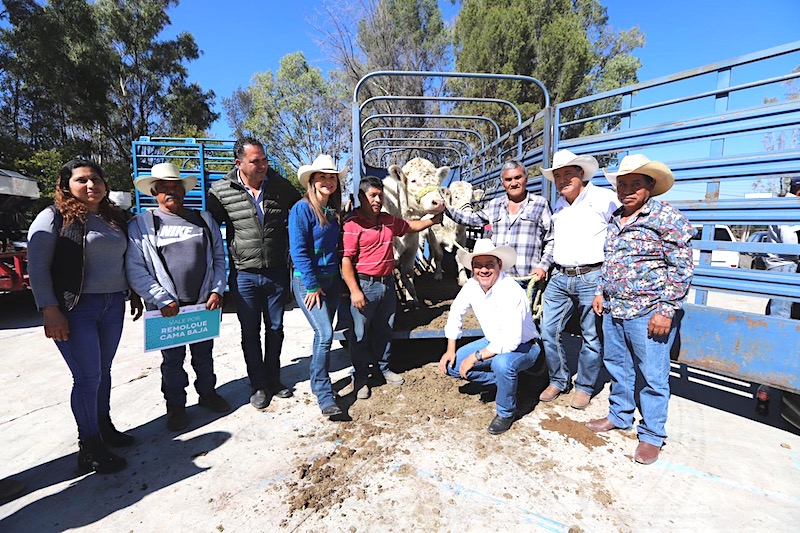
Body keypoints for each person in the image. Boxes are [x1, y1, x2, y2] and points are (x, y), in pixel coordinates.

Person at [27, 159, 143, 474]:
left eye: (96, 179)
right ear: (66, 185)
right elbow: (36, 267)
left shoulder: (113, 218)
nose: (90, 185)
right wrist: (49, 308)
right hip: (75, 309)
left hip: (111, 306)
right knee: (88, 377)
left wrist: (132, 292)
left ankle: (103, 427)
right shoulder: (53, 217)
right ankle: (89, 447)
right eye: (81, 180)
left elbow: (125, 260)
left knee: (103, 372)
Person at [587, 154, 694, 465]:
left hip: (649, 311)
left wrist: (667, 309)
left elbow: (682, 267)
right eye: (623, 184)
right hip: (614, 308)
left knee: (652, 374)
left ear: (650, 186)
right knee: (618, 367)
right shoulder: (616, 218)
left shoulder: (666, 218)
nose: (628, 190)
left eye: (636, 184)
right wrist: (600, 292)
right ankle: (619, 416)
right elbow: (609, 260)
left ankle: (651, 435)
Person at [126, 163, 230, 431]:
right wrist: (160, 298)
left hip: (202, 303)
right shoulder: (142, 224)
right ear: (154, 192)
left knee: (204, 354)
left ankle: (207, 394)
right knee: (172, 361)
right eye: (165, 188)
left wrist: (217, 289)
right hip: (166, 308)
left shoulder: (203, 219)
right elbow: (135, 267)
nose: (172, 192)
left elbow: (218, 258)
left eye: (176, 187)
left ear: (184, 191)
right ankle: (176, 406)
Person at [208, 137, 301, 409]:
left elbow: (301, 213)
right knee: (250, 331)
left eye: (264, 160)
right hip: (244, 274)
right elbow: (208, 231)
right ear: (239, 163)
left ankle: (274, 379)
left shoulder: (281, 187)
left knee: (275, 328)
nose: (262, 166)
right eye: (255, 161)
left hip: (275, 272)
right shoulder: (221, 191)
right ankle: (258, 385)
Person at [341, 176, 442, 400]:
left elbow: (411, 226)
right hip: (364, 285)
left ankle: (383, 368)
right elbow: (346, 261)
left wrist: (432, 221)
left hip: (387, 283)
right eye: (372, 196)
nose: (377, 200)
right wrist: (355, 291)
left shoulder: (388, 220)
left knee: (385, 328)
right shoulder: (352, 223)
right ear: (361, 197)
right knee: (360, 333)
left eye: (380, 196)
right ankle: (361, 377)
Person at [538, 150, 620, 409]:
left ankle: (584, 386)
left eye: (568, 174)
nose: (562, 180)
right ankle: (559, 379)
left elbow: (621, 234)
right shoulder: (558, 205)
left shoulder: (605, 199)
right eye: (558, 176)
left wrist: (606, 281)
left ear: (581, 174)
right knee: (548, 330)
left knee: (591, 336)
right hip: (560, 276)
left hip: (592, 275)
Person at [438, 239, 541, 435]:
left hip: (524, 345)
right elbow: (455, 312)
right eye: (478, 266)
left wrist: (475, 357)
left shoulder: (512, 291)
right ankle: (505, 384)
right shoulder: (471, 286)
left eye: (489, 265)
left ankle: (506, 412)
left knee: (502, 364)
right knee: (453, 365)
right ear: (472, 268)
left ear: (499, 265)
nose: (483, 270)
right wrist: (450, 349)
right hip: (493, 341)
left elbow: (511, 340)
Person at [289, 155, 346, 418]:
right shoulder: (301, 209)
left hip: (332, 281)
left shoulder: (335, 212)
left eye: (331, 177)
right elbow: (299, 251)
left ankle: (316, 380)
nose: (327, 181)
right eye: (322, 176)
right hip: (308, 281)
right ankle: (324, 393)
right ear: (312, 180)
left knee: (321, 335)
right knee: (325, 334)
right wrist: (311, 286)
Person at [445, 159, 553, 283]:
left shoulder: (540, 204)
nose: (513, 183)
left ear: (526, 179)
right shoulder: (494, 205)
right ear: (503, 184)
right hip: (498, 279)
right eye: (508, 179)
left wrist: (542, 267)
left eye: (518, 177)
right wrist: (445, 208)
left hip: (527, 279)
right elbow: (471, 219)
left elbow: (551, 240)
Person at [762, 176, 800, 430]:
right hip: (785, 268)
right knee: (780, 327)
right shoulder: (789, 207)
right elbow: (790, 242)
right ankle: (766, 384)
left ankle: (767, 385)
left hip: (787, 269)